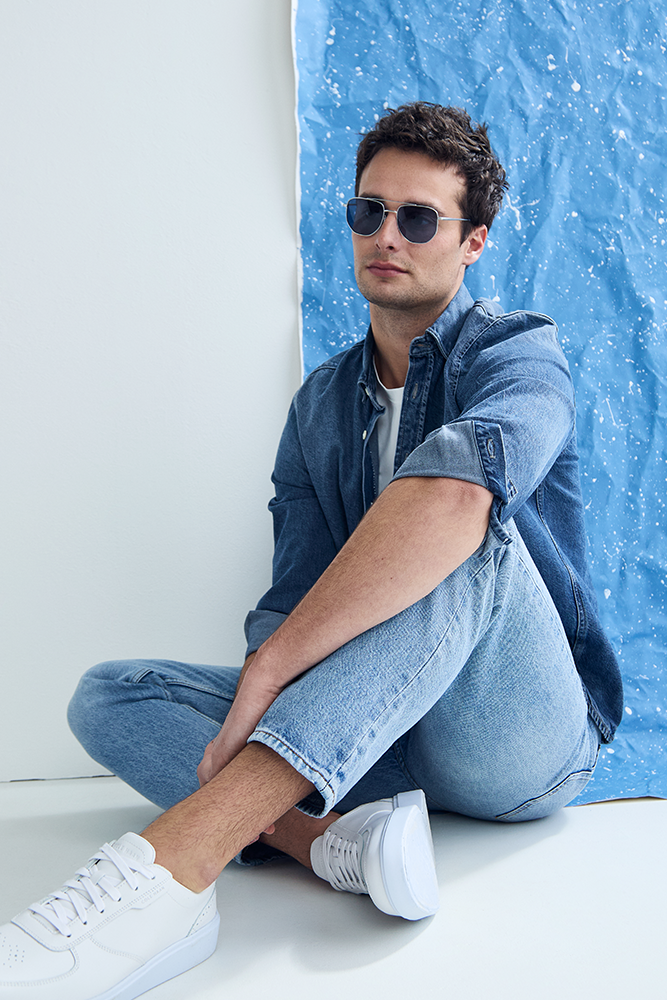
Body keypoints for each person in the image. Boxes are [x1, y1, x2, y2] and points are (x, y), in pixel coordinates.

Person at [0, 103, 622, 1000]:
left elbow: (455, 500)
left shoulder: (519, 352)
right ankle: (329, 843)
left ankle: (171, 873)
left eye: (419, 219)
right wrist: (271, 655)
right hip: (382, 739)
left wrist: (271, 670)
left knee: (464, 530)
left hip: (514, 742)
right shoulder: (321, 404)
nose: (387, 236)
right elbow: (295, 589)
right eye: (369, 211)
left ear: (473, 241)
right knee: (111, 694)